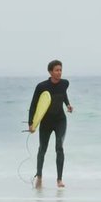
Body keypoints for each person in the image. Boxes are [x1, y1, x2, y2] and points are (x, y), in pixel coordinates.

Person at [28, 60, 73, 189]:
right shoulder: (41, 86)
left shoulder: (65, 83)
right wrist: (31, 123)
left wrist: (68, 105)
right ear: (50, 72)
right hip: (46, 122)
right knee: (42, 148)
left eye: (60, 70)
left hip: (60, 120)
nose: (59, 72)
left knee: (59, 146)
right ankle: (39, 176)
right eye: (56, 70)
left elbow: (63, 94)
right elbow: (34, 105)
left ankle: (59, 179)